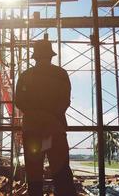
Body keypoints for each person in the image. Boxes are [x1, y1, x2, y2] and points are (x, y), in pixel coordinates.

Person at [15, 34, 77, 196]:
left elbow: (19, 101)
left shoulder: (25, 76)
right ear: (50, 56)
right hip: (54, 128)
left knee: (34, 178)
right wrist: (50, 116)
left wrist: (36, 114)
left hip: (32, 130)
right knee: (62, 174)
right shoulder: (61, 74)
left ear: (35, 57)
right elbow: (65, 101)